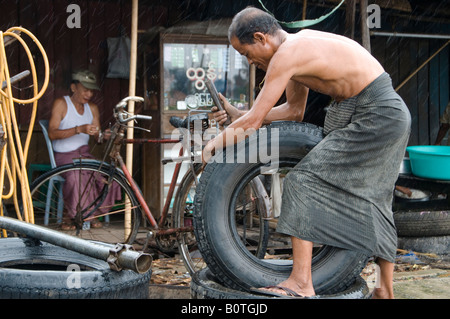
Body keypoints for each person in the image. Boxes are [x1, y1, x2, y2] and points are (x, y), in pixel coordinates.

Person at [203, 7, 411, 299]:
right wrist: (238, 114)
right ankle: (384, 291)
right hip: (382, 112)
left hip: (377, 113)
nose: (250, 62)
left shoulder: (289, 54)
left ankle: (301, 283)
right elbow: (294, 111)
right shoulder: (293, 51)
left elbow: (252, 122)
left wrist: (212, 145)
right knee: (374, 199)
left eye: (247, 54)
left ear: (261, 38)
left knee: (303, 181)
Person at [48, 70, 120, 230]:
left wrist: (105, 136)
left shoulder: (92, 108)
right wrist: (78, 129)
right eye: (85, 89)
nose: (89, 94)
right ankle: (73, 217)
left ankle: (91, 213)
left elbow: (98, 139)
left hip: (84, 155)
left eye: (91, 90)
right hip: (64, 156)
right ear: (74, 87)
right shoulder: (61, 103)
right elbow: (52, 133)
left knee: (108, 176)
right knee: (75, 178)